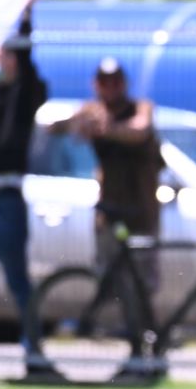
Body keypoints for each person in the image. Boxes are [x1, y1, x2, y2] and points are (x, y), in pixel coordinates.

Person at [49, 57, 163, 370]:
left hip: (141, 212)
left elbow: (138, 131)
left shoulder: (141, 108)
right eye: (104, 81)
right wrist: (77, 124)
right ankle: (132, 344)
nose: (110, 87)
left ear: (124, 83)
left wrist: (105, 128)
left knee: (143, 283)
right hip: (109, 214)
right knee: (113, 279)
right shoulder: (93, 109)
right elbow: (54, 128)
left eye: (115, 81)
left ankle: (148, 347)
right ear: (95, 84)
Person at [0, 11, 49, 374]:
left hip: (6, 201)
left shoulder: (24, 98)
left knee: (18, 281)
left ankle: (33, 351)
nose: (3, 62)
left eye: (9, 56)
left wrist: (25, 21)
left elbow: (28, 72)